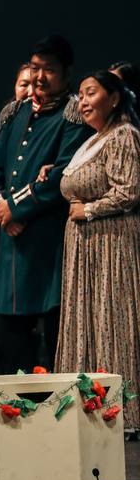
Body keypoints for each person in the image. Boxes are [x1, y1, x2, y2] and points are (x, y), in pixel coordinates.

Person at [0, 36, 91, 374]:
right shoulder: (17, 113)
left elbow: (63, 173)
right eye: (35, 68)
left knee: (54, 327)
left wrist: (16, 208)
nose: (40, 77)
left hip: (48, 238)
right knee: (4, 328)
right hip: (10, 240)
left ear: (67, 73)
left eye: (49, 69)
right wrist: (2, 207)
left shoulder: (72, 115)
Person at [55, 70, 140, 430]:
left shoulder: (123, 135)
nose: (83, 101)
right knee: (87, 321)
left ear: (114, 98)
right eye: (81, 95)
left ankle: (124, 412)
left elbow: (129, 191)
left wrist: (88, 209)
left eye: (91, 93)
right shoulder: (91, 141)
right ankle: (86, 410)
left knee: (111, 319)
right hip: (85, 245)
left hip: (111, 242)